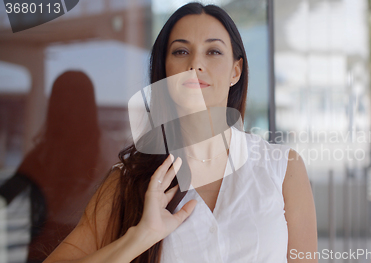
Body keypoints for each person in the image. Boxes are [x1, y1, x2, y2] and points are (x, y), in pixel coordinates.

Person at [44, 2, 317, 263]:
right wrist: (139, 238)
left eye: (213, 52)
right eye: (181, 52)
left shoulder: (283, 169)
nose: (195, 64)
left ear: (236, 71)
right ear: (164, 72)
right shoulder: (130, 181)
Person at [0, 71, 119, 263]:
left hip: (87, 247)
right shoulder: (43, 152)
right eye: (64, 97)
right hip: (40, 248)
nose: (70, 106)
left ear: (88, 103)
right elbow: (8, 193)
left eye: (77, 97)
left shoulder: (109, 152)